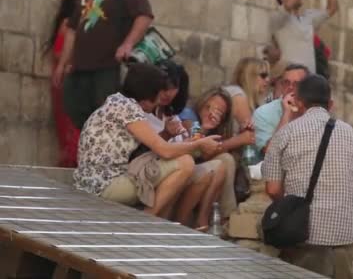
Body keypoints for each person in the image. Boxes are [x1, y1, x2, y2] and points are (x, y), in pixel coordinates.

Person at [73, 63, 222, 218]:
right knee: (185, 163)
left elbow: (146, 149)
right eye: (159, 92)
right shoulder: (128, 109)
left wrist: (169, 135)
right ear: (148, 94)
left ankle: (159, 223)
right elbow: (164, 150)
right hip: (104, 186)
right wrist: (199, 144)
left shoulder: (117, 102)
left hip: (91, 183)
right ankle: (147, 219)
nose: (161, 98)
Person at [262, 74, 353, 278]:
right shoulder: (352, 134)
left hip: (305, 234)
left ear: (298, 103)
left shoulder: (285, 133)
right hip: (349, 233)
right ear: (331, 104)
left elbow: (273, 189)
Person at [52, 0, 154, 129]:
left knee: (105, 113)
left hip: (107, 66)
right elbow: (73, 30)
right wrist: (62, 64)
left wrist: (127, 44)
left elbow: (144, 16)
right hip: (80, 68)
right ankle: (92, 143)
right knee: (73, 105)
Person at [179, 88, 241, 221]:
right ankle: (218, 218)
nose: (211, 113)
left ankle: (222, 217)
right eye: (209, 107)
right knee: (220, 164)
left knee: (226, 159)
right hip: (182, 165)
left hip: (195, 165)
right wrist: (205, 127)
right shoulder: (189, 115)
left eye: (219, 112)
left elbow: (204, 156)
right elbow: (193, 139)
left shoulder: (217, 128)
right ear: (202, 102)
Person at [46, 0, 89, 167]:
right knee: (72, 133)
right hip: (68, 84)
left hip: (70, 84)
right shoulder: (68, 24)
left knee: (74, 133)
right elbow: (58, 53)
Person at [270, 0, 338, 74]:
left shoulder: (308, 17)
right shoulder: (278, 17)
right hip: (290, 76)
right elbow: (288, 6)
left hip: (309, 77)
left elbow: (332, 9)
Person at [253, 63, 309, 154]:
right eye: (286, 83)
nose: (290, 87)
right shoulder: (263, 113)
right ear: (282, 85)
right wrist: (286, 114)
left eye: (297, 84)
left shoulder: (313, 110)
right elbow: (269, 152)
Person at [224, 57, 270, 130]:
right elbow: (250, 135)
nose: (267, 80)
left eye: (268, 76)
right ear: (249, 76)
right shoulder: (237, 94)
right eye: (263, 76)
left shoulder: (250, 98)